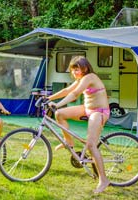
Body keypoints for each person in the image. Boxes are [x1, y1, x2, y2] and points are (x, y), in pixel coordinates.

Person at [46, 56, 110, 193]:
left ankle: (104, 180)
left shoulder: (90, 77)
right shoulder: (81, 79)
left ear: (85, 68)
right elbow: (66, 91)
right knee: (60, 114)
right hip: (87, 109)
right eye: (72, 69)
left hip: (98, 112)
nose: (74, 72)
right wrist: (47, 98)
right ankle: (69, 143)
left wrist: (57, 104)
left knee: (91, 145)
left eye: (77, 69)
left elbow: (74, 94)